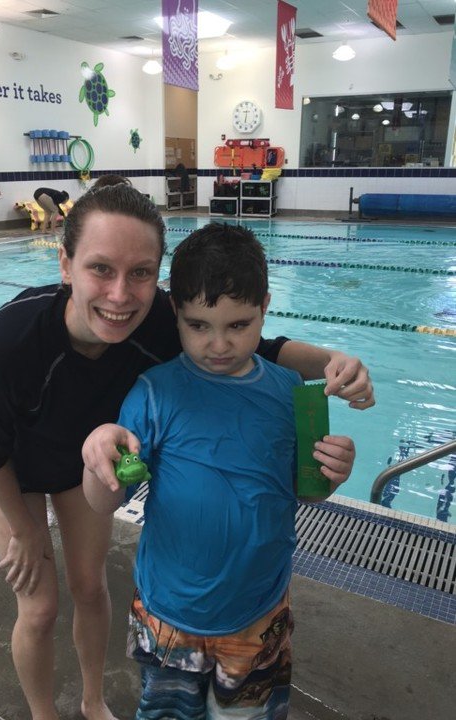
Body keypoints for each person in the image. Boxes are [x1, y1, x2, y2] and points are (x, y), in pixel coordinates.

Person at [0, 185, 373, 720]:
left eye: (139, 273)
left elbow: (256, 346)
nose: (119, 295)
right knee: (38, 605)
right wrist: (24, 529)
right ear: (65, 264)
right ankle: (44, 714)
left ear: (158, 279)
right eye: (100, 269)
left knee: (89, 586)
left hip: (91, 463)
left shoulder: (160, 316)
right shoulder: (9, 341)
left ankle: (92, 701)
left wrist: (338, 362)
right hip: (10, 468)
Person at [82, 222, 357, 720]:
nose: (218, 345)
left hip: (258, 612)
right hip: (170, 614)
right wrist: (96, 448)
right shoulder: (154, 393)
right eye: (199, 326)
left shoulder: (291, 390)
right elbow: (102, 502)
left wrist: (333, 475)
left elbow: (305, 492)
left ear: (266, 307)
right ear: (176, 315)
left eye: (239, 325)